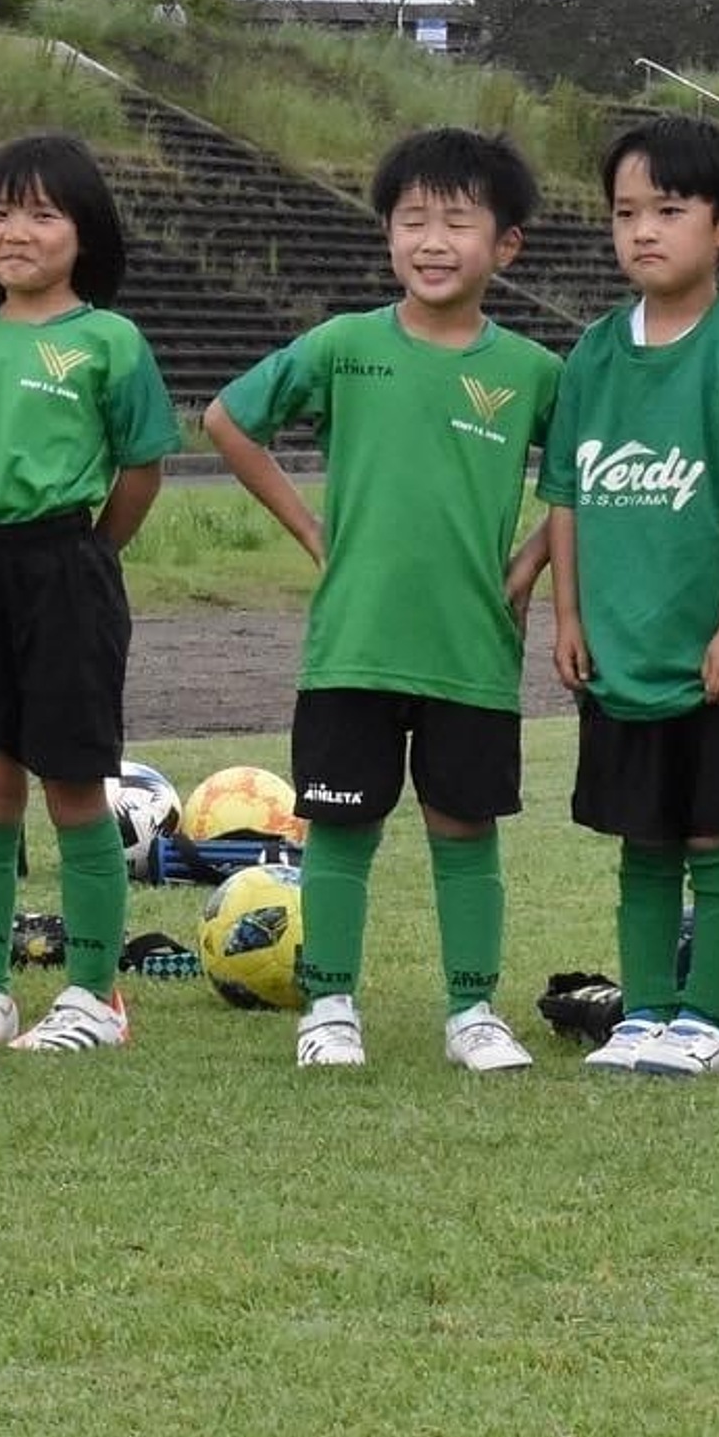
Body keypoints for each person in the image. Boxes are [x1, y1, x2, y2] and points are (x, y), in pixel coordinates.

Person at [204, 128, 559, 1072]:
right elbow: (227, 420)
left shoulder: (530, 372)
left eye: (457, 221)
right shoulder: (345, 344)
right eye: (412, 221)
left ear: (506, 245)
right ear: (388, 235)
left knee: (464, 825)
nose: (432, 241)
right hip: (354, 642)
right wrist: (313, 533)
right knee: (342, 823)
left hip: (471, 647)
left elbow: (584, 478)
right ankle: (329, 1006)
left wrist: (527, 568)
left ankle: (474, 1012)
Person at [542, 116, 719, 1080]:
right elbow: (567, 496)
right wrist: (568, 617)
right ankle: (644, 1012)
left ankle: (703, 1020)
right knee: (644, 843)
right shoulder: (595, 354)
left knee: (716, 835)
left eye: (669, 209)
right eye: (625, 212)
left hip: (717, 662)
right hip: (621, 652)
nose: (643, 230)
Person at [0, 135, 177, 1054]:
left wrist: (92, 558)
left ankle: (94, 997)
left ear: (84, 233)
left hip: (65, 567)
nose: (15, 231)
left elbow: (144, 465)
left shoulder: (108, 340)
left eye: (41, 213)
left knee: (71, 784)